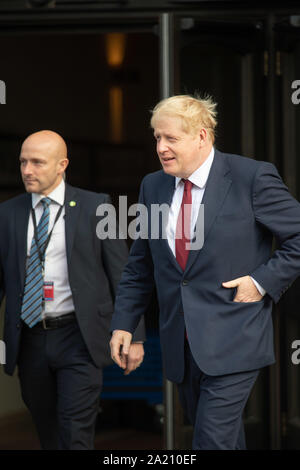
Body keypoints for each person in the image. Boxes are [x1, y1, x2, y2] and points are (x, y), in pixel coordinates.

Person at [110, 94, 300, 450]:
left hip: (234, 336)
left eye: (171, 138)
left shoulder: (251, 177)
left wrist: (261, 282)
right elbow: (141, 265)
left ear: (202, 136)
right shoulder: (153, 186)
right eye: (157, 138)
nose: (161, 147)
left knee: (210, 442)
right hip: (181, 345)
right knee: (222, 440)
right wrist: (124, 323)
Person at [0, 130, 145, 450]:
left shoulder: (96, 206)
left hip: (79, 336)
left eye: (37, 162)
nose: (27, 170)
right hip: (30, 339)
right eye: (23, 161)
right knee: (47, 429)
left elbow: (123, 275)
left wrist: (133, 334)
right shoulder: (8, 214)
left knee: (75, 430)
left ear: (61, 164)